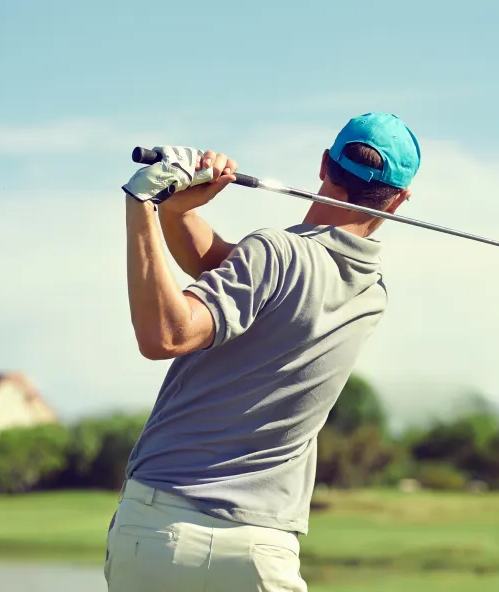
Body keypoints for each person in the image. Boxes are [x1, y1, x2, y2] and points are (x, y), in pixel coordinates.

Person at [107, 112, 421, 591]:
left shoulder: (274, 253)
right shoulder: (371, 292)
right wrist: (179, 213)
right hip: (262, 551)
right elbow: (228, 272)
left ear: (323, 165)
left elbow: (165, 335)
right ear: (399, 201)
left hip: (160, 528)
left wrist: (144, 203)